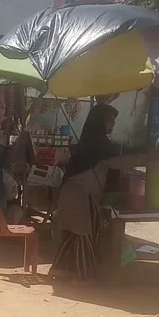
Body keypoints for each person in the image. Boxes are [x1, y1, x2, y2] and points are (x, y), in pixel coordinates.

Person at [51, 104, 146, 284]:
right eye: (110, 120)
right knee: (84, 236)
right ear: (99, 121)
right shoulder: (98, 145)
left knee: (73, 236)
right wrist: (148, 157)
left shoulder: (91, 143)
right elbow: (120, 161)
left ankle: (60, 269)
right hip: (77, 197)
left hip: (71, 196)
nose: (113, 124)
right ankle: (82, 277)